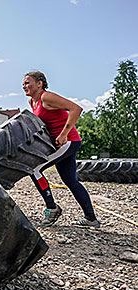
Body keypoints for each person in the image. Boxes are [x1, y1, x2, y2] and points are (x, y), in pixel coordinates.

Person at [22, 71, 100, 228]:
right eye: (23, 83)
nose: (24, 86)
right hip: (60, 145)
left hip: (68, 141)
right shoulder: (33, 102)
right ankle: (91, 219)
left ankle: (52, 208)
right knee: (70, 180)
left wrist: (64, 133)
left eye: (27, 82)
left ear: (39, 83)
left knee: (35, 169)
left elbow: (76, 109)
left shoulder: (46, 97)